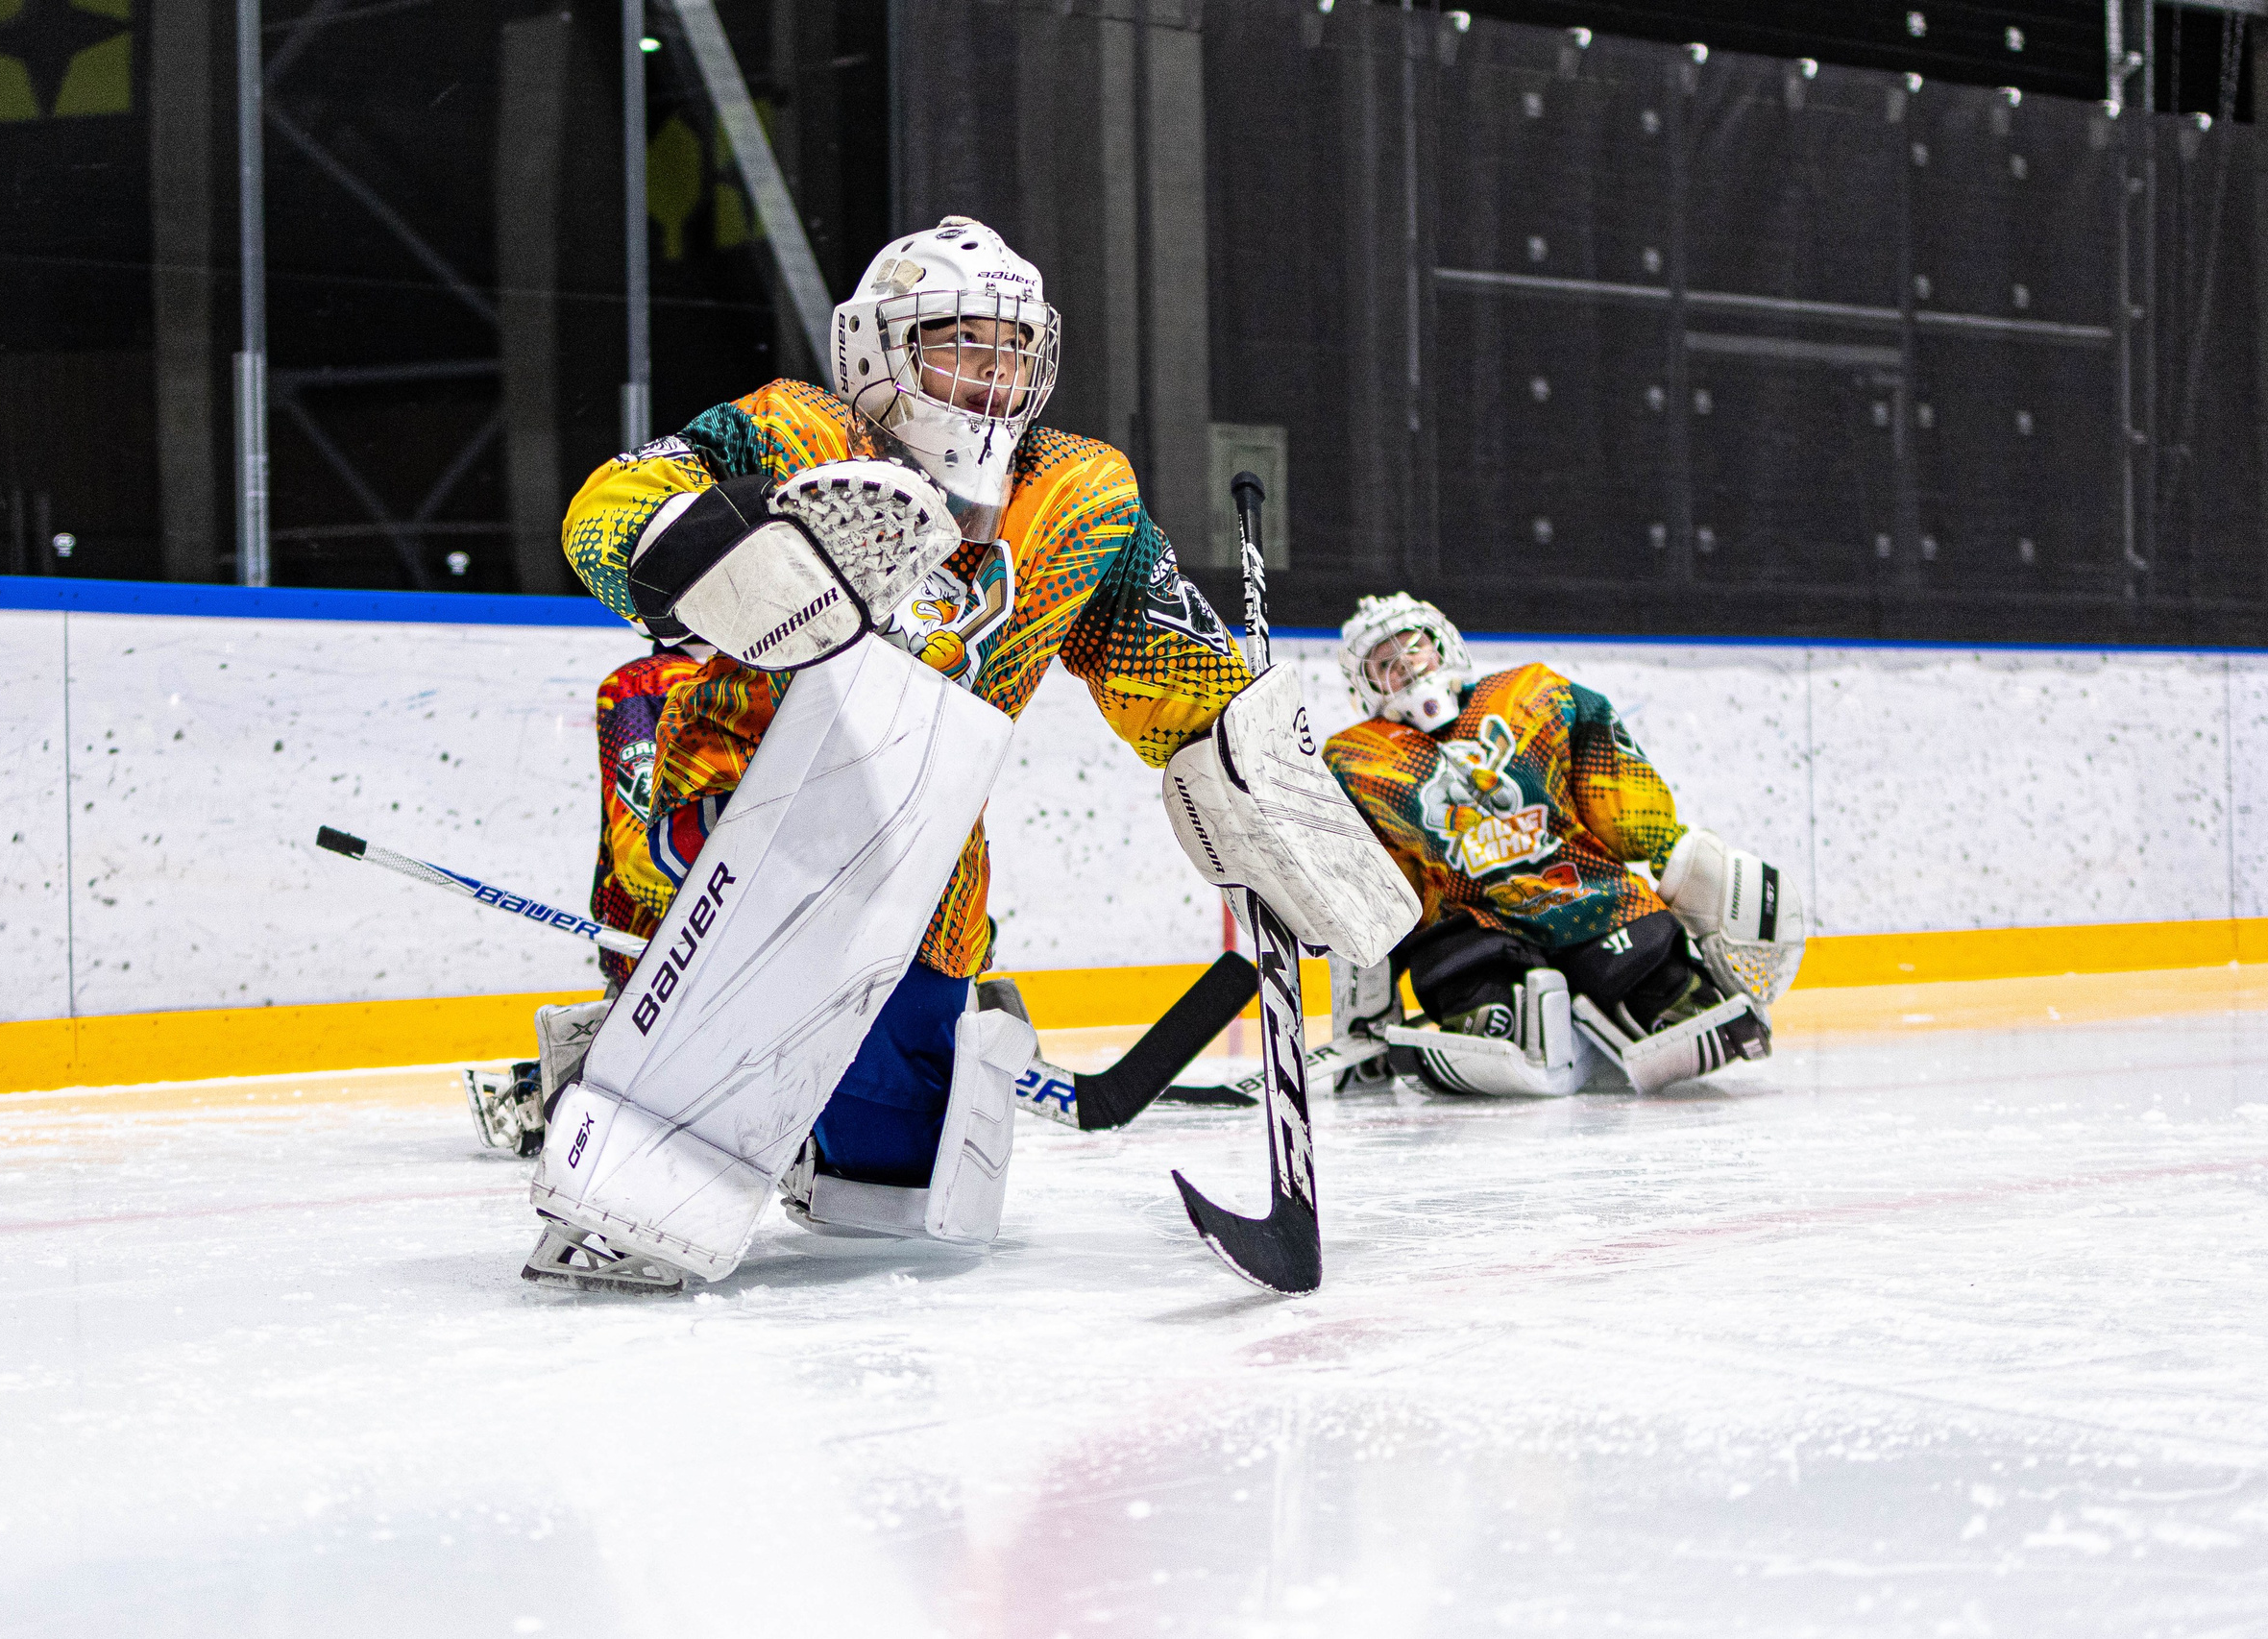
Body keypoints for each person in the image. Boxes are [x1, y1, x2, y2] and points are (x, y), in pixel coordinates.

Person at [516, 217, 1416, 1289]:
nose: (991, 374)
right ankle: (625, 1079)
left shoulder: (1076, 497)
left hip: (926, 869)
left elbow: (1177, 676)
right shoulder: (792, 429)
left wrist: (1264, 785)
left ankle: (790, 1108)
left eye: (1013, 348)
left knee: (897, 1189)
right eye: (959, 343)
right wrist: (705, 544)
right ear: (875, 349)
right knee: (676, 1133)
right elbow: (611, 503)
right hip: (736, 812)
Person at [1320, 593, 1805, 1098]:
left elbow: (1615, 789)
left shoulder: (1533, 694)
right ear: (1365, 686)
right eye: (1384, 663)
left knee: (1656, 979)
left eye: (1413, 646)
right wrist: (1370, 996)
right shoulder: (1357, 760)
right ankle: (1491, 1019)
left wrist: (1669, 850)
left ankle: (1668, 999)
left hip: (1587, 894)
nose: (1404, 664)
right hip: (1472, 920)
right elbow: (1380, 886)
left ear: (1443, 645)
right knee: (1473, 991)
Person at [463, 639, 716, 1159]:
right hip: (668, 930)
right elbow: (640, 851)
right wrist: (708, 910)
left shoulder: (760, 675)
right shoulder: (647, 685)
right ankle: (557, 1092)